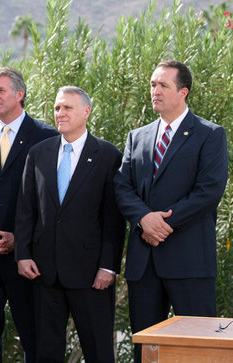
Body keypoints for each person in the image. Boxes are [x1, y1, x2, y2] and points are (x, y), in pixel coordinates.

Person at [114, 60, 228, 362]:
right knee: (147, 351)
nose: (155, 91)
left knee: (199, 350)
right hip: (145, 263)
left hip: (190, 261)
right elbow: (122, 186)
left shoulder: (209, 134)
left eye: (163, 85)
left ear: (183, 91)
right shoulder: (136, 137)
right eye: (153, 84)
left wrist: (162, 223)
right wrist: (143, 219)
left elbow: (209, 191)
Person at [15, 86, 125, 362]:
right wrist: (23, 254)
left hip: (91, 275)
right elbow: (27, 209)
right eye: (56, 108)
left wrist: (108, 266)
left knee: (98, 349)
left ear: (86, 112)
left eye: (67, 108)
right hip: (44, 272)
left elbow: (113, 218)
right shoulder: (39, 153)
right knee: (46, 351)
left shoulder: (107, 155)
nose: (60, 113)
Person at [0, 67, 58, 362]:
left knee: (35, 340)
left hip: (28, 261)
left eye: (1, 90)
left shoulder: (47, 137)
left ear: (19, 95)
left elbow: (52, 201)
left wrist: (19, 239)